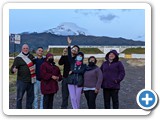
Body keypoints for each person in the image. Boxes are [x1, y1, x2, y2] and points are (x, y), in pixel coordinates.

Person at [10, 44, 35, 109]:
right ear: (22, 49)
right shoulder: (18, 58)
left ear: (28, 49)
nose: (25, 49)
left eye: (27, 48)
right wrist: (13, 70)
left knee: (30, 98)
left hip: (31, 81)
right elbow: (13, 68)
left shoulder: (31, 56)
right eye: (24, 48)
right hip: (21, 81)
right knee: (19, 98)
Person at [58, 38, 80, 109]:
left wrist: (69, 45)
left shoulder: (77, 59)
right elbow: (60, 63)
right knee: (65, 95)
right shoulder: (66, 57)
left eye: (76, 49)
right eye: (73, 48)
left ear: (77, 52)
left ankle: (75, 108)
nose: (74, 49)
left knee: (74, 96)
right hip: (65, 78)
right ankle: (64, 109)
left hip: (73, 79)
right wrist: (63, 54)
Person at [67, 37, 86, 109]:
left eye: (81, 56)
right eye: (78, 56)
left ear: (82, 58)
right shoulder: (72, 62)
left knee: (77, 99)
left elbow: (81, 71)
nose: (79, 57)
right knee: (72, 98)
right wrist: (69, 45)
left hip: (79, 83)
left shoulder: (83, 65)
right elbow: (69, 55)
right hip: (71, 82)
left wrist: (73, 71)